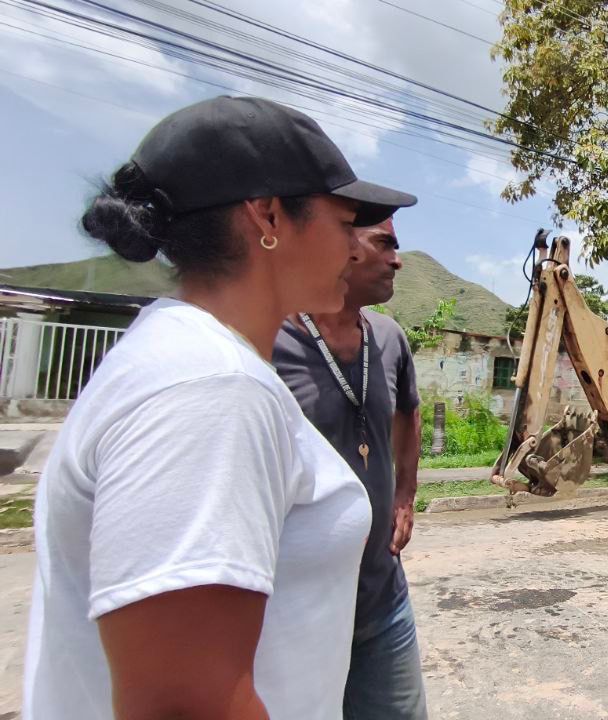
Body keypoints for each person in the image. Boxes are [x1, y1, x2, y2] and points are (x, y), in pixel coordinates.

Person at [24, 96, 416, 719]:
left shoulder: (192, 358)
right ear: (269, 215)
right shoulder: (209, 387)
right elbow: (185, 705)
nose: (355, 249)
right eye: (346, 224)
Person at [273, 218, 427, 719]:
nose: (397, 260)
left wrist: (405, 494)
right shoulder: (269, 341)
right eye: (384, 243)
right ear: (341, 242)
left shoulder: (389, 338)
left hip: (382, 601)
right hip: (297, 613)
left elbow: (409, 412)